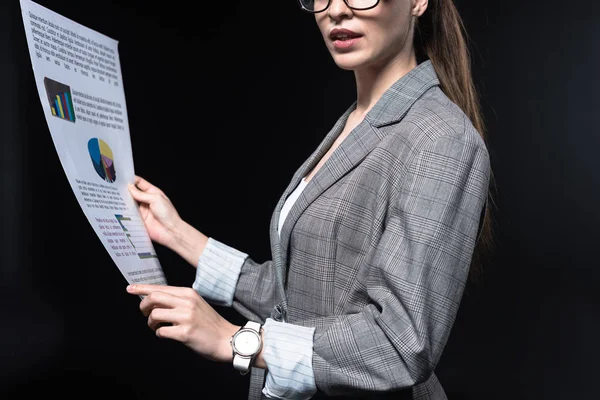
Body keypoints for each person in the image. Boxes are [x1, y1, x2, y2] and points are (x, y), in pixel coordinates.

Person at [125, 0, 496, 399]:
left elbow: (400, 343)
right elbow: (303, 295)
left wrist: (237, 340)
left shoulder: (440, 138)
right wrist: (179, 235)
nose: (336, 10)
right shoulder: (355, 121)